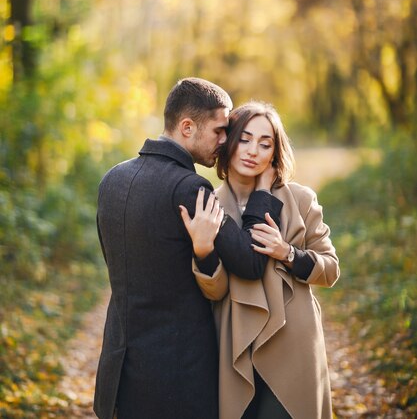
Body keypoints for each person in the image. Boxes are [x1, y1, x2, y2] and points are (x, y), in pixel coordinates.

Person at [94, 79, 283, 419]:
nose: (225, 142)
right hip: (178, 376)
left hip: (120, 370)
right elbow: (251, 261)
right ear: (186, 127)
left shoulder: (111, 179)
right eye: (219, 131)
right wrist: (262, 192)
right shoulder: (190, 188)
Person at [182, 101, 340, 419]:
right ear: (228, 142)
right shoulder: (209, 204)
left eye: (265, 143)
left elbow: (330, 270)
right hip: (236, 346)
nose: (253, 150)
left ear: (274, 153)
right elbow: (215, 291)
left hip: (293, 345)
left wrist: (289, 253)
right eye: (245, 139)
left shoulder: (301, 199)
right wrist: (203, 252)